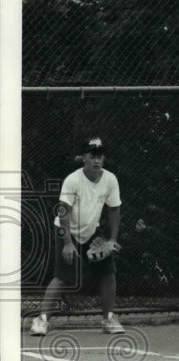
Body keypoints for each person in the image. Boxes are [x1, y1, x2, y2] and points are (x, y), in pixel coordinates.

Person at [30, 136, 125, 336]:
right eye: (92, 156)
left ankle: (109, 319)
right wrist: (67, 244)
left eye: (100, 156)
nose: (97, 160)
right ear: (83, 158)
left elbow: (114, 210)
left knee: (108, 273)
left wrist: (112, 240)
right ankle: (41, 320)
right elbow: (63, 211)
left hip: (91, 232)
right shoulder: (73, 180)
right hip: (66, 231)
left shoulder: (110, 179)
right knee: (63, 277)